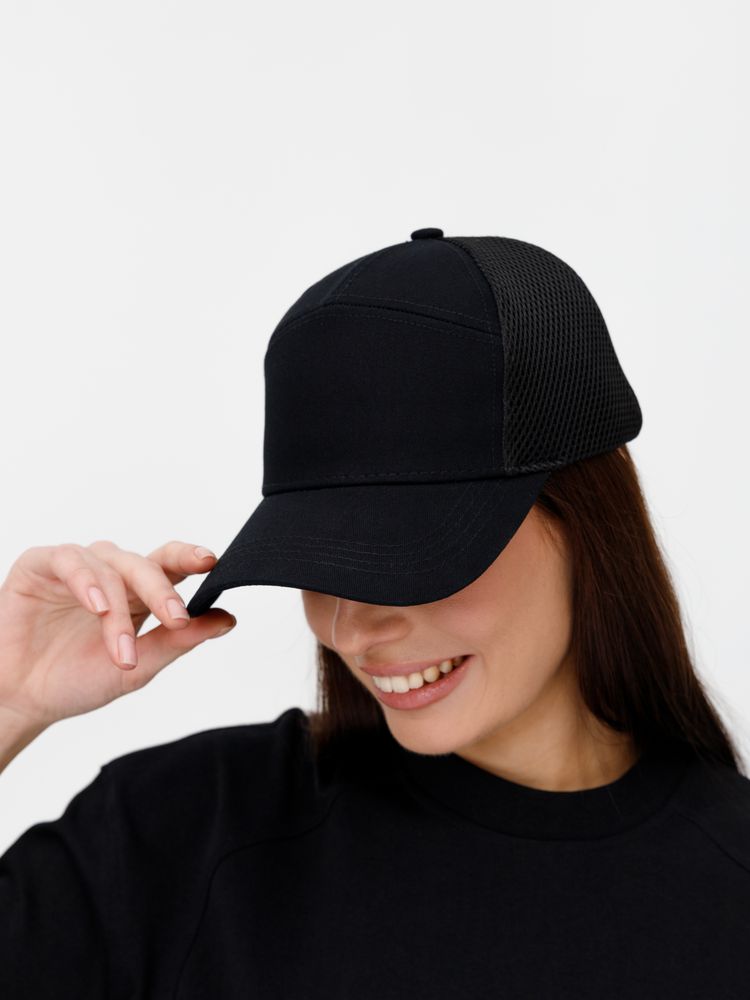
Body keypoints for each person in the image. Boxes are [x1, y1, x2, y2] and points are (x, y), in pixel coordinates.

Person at [1, 229, 749, 998]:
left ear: (587, 521)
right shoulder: (184, 835)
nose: (351, 629)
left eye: (410, 557)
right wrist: (10, 701)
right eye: (322, 563)